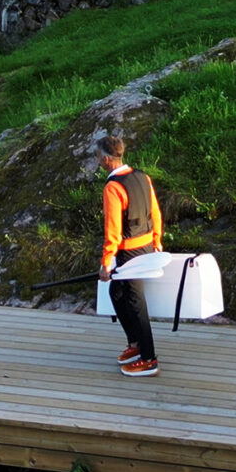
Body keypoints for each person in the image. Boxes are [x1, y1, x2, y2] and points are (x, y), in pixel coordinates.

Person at [97, 134, 163, 377]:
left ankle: (149, 359)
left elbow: (112, 230)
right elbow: (155, 213)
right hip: (145, 247)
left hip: (129, 252)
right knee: (117, 293)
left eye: (98, 157)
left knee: (136, 303)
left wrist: (106, 263)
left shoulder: (113, 187)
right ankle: (135, 344)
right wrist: (157, 242)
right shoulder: (142, 177)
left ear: (105, 159)